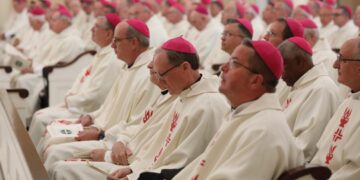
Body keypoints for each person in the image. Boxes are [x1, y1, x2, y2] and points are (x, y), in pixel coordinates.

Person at [49, 36, 229, 180]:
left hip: (137, 167)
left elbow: (182, 165)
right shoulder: (180, 93)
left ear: (185, 67)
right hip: (128, 157)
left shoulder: (205, 105)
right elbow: (141, 128)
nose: (158, 80)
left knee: (61, 165)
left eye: (161, 74)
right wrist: (111, 139)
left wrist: (120, 161)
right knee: (56, 147)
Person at [173, 39, 304, 179]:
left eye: (234, 63)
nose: (223, 68)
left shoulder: (263, 131)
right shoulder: (242, 114)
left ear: (255, 81)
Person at [30, 14, 124, 147]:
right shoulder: (103, 53)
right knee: (39, 115)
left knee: (41, 119)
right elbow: (82, 77)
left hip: (85, 110)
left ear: (109, 34)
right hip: (77, 104)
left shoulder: (112, 60)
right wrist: (71, 96)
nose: (92, 29)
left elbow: (97, 96)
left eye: (96, 27)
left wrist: (71, 100)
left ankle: (31, 161)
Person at [12, 5, 84, 122]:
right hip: (45, 71)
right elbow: (45, 58)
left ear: (65, 23)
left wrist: (34, 69)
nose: (50, 22)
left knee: (23, 80)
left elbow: (57, 65)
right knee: (19, 77)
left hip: (56, 77)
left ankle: (24, 119)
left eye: (54, 20)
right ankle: (19, 115)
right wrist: (32, 65)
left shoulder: (72, 40)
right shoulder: (59, 36)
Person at [278, 37, 341, 161]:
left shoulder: (321, 90)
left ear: (300, 62)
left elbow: (306, 147)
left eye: (283, 65)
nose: (281, 73)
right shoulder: (300, 85)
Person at [311, 37, 360, 179]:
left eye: (342, 59)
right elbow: (321, 152)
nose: (335, 65)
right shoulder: (349, 100)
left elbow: (355, 171)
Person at [300, 18, 337, 82]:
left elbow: (327, 83)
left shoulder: (327, 57)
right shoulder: (304, 52)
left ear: (311, 36)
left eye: (301, 38)